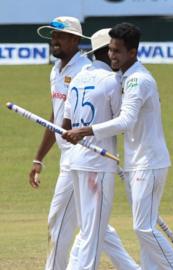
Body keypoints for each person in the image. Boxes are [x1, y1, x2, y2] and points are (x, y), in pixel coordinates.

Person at [62, 22, 173, 270]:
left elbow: (126, 121)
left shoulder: (138, 80)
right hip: (135, 162)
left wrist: (85, 131)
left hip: (149, 162)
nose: (112, 56)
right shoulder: (123, 77)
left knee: (143, 228)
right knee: (144, 231)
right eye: (110, 50)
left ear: (132, 52)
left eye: (117, 51)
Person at [31, 17, 138, 270]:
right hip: (72, 157)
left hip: (82, 160)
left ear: (76, 40)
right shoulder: (55, 70)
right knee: (96, 226)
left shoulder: (85, 71)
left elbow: (116, 117)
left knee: (62, 223)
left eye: (60, 36)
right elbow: (57, 117)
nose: (54, 41)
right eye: (52, 36)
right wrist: (39, 158)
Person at [62, 28, 141, 270]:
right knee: (93, 233)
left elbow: (66, 125)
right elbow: (121, 122)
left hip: (75, 161)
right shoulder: (112, 81)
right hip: (97, 164)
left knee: (92, 227)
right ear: (106, 52)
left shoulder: (78, 77)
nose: (115, 55)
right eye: (112, 50)